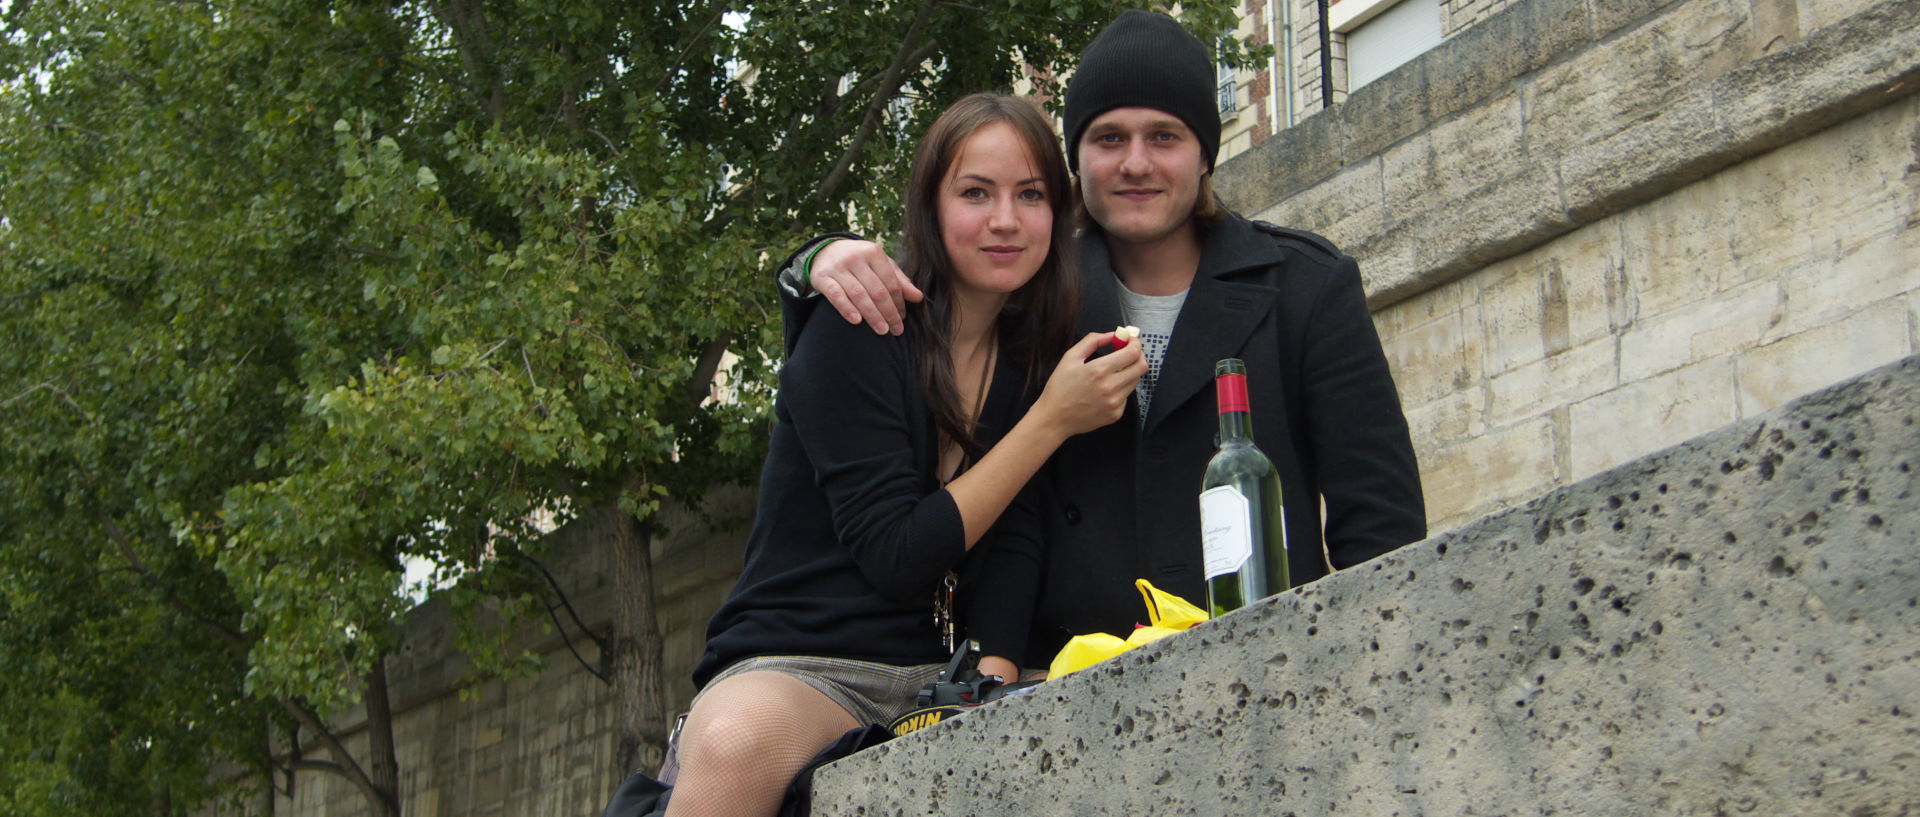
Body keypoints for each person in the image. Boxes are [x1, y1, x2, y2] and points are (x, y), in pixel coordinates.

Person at [782, 10, 1427, 671]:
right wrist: (813, 257)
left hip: (1273, 669)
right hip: (1073, 692)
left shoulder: (1305, 288)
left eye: (1164, 136)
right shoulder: (1029, 299)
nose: (1136, 163)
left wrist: (1367, 665)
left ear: (1205, 151)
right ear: (1077, 160)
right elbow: (1012, 515)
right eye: (1109, 137)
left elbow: (1379, 519)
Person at [668, 93, 1146, 817]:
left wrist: (987, 681)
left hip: (942, 669)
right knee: (733, 741)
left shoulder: (1032, 360)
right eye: (975, 193)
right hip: (809, 664)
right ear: (930, 205)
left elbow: (1015, 541)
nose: (1006, 220)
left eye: (1031, 195)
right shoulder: (859, 329)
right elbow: (893, 550)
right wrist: (1051, 421)